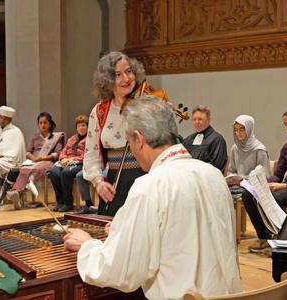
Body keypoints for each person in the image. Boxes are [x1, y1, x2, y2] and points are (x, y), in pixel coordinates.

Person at [64, 97, 242, 300]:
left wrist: (88, 245)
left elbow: (121, 272)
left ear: (139, 139)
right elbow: (185, 234)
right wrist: (127, 228)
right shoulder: (214, 175)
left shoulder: (150, 186)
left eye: (129, 143)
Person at [83, 51, 169, 217]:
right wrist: (99, 182)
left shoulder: (149, 103)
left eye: (129, 71)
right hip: (116, 184)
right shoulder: (100, 111)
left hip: (147, 181)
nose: (126, 78)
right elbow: (91, 154)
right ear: (107, 80)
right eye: (117, 74)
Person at [242, 106, 287, 253]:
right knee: (248, 194)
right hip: (285, 186)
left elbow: (282, 183)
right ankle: (264, 237)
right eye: (285, 125)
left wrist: (283, 186)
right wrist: (260, 183)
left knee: (274, 197)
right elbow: (278, 175)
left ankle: (280, 241)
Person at [7, 112, 64, 210]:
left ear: (50, 124)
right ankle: (17, 193)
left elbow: (57, 154)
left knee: (38, 169)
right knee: (24, 169)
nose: (43, 125)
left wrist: (42, 158)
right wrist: (34, 158)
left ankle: (18, 193)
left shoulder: (56, 137)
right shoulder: (35, 137)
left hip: (48, 161)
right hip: (34, 161)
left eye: (45, 122)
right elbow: (28, 152)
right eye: (40, 123)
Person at [49, 115, 88, 212]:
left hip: (79, 162)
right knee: (53, 172)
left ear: (88, 127)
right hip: (66, 161)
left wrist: (72, 159)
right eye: (79, 126)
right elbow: (63, 151)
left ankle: (68, 203)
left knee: (66, 173)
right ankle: (60, 202)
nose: (81, 128)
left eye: (83, 125)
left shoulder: (89, 139)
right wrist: (63, 159)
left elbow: (87, 155)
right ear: (76, 128)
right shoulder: (72, 138)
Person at [227, 115, 270, 195]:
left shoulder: (259, 149)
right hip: (237, 185)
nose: (238, 133)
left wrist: (243, 180)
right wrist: (232, 178)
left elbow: (264, 176)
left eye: (242, 130)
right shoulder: (235, 148)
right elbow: (232, 170)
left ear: (249, 129)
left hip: (253, 186)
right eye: (236, 130)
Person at [182, 105, 227, 173]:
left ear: (209, 120)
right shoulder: (188, 140)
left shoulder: (217, 140)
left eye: (200, 119)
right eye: (194, 119)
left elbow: (215, 167)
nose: (197, 122)